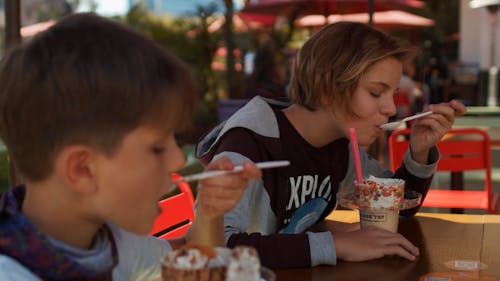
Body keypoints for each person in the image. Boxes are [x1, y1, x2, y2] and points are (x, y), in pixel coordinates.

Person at [0, 13, 261, 280]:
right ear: (82, 170)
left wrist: (209, 209)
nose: (178, 161)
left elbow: (190, 259)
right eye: (157, 148)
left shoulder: (108, 242)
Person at [196, 22, 466, 269]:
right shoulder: (249, 145)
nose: (391, 109)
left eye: (392, 94)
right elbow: (214, 250)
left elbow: (397, 208)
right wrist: (335, 245)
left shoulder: (338, 147)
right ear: (327, 90)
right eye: (375, 92)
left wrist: (419, 151)